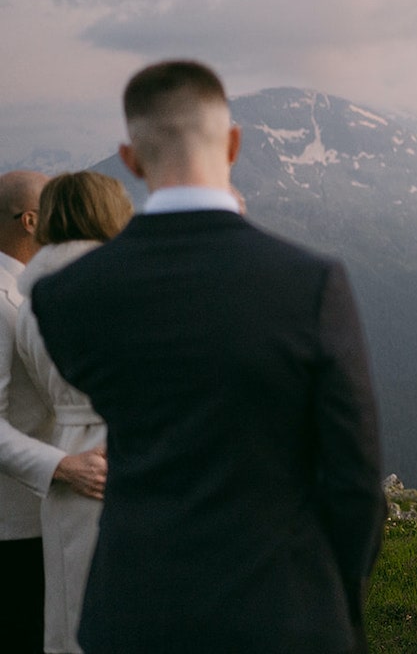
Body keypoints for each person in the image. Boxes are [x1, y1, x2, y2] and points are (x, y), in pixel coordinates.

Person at [30, 60, 386, 654]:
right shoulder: (310, 282)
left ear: (132, 158)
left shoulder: (66, 295)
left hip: (135, 609)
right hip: (283, 609)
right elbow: (355, 477)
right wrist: (338, 590)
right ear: (235, 144)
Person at [13, 172, 134, 653]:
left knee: (71, 620)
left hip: (66, 456)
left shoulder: (28, 299)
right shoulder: (117, 288)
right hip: (124, 451)